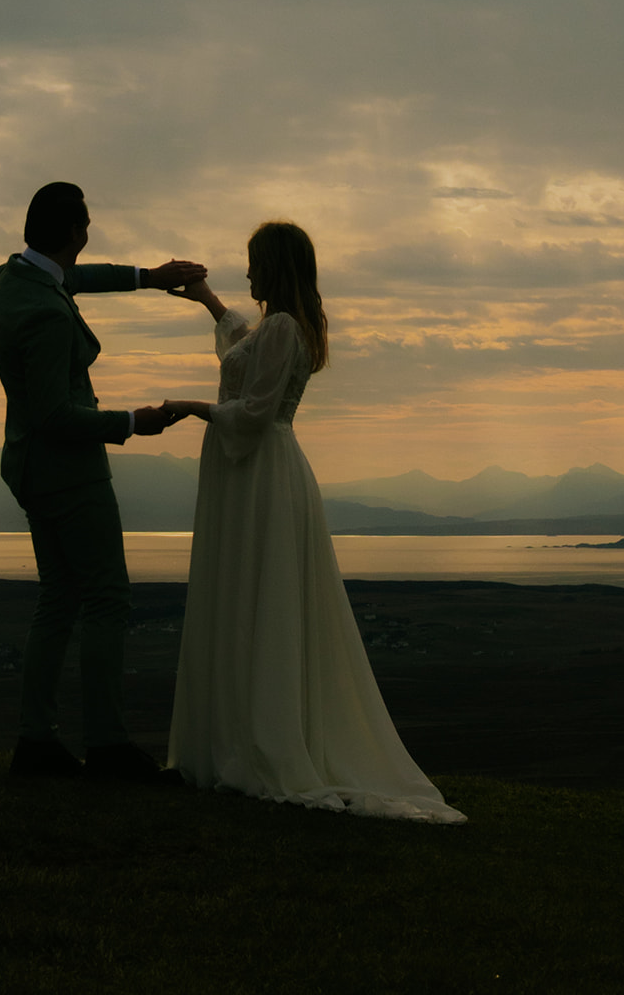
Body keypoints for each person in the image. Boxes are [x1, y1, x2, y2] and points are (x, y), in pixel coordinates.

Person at [162, 221, 466, 822]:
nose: (247, 274)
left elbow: (252, 409)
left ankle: (262, 742)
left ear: (274, 267)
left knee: (259, 597)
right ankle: (247, 735)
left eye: (253, 264)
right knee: (256, 597)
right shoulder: (284, 328)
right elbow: (244, 353)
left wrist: (185, 408)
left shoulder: (283, 328)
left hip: (261, 473)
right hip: (263, 470)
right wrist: (209, 303)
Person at [0, 181, 205, 782]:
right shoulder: (49, 316)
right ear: (74, 233)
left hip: (30, 469)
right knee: (107, 599)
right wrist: (134, 423)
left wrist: (150, 276)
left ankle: (36, 744)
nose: (89, 238)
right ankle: (108, 747)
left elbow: (79, 278)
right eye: (86, 228)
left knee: (58, 600)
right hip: (70, 474)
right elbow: (56, 415)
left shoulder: (16, 280)